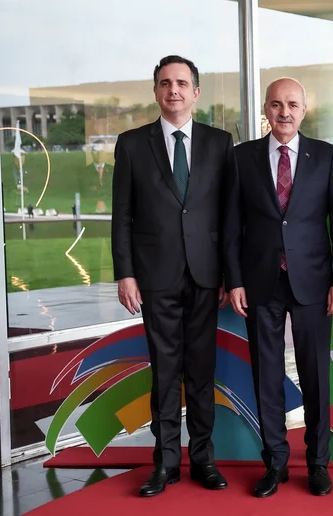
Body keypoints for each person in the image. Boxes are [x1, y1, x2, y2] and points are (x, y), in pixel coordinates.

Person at [111, 55, 237, 498]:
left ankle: (203, 458)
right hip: (154, 276)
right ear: (156, 91)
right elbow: (121, 215)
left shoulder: (221, 143)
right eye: (165, 83)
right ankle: (164, 463)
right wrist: (124, 273)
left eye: (182, 83)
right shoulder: (131, 144)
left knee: (201, 372)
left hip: (206, 276)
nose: (174, 90)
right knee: (165, 372)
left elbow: (228, 214)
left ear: (196, 92)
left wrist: (228, 272)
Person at [224, 78, 333, 498]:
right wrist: (234, 279)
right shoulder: (242, 158)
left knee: (315, 377)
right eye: (276, 104)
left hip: (313, 282)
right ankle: (275, 463)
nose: (284, 112)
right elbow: (230, 227)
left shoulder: (326, 156)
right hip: (261, 281)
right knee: (267, 375)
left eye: (292, 104)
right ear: (266, 109)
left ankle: (317, 464)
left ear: (304, 109)